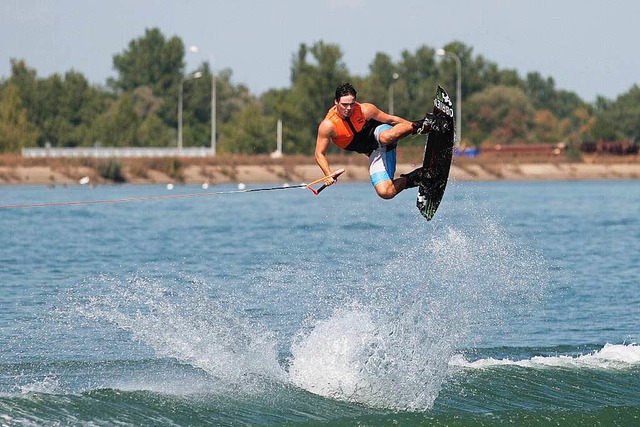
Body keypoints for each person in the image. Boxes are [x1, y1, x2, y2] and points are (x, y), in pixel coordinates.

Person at [314, 83, 448, 199]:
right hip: (375, 152)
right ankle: (423, 176)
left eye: (352, 104)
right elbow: (319, 154)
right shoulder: (328, 126)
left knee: (385, 137)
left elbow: (392, 120)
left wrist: (420, 128)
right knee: (385, 192)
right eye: (344, 105)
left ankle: (430, 124)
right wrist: (328, 174)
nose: (349, 108)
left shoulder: (365, 110)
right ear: (336, 102)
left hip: (382, 132)